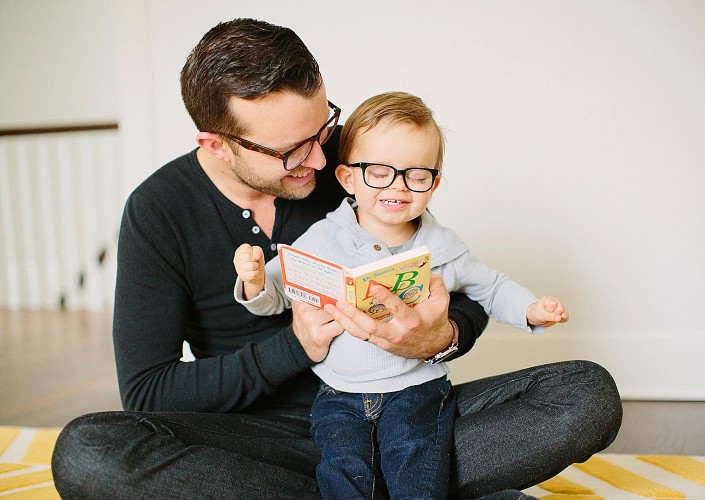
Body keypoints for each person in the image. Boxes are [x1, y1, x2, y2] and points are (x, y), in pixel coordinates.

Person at [50, 18, 623, 500]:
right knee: (87, 452)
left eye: (321, 129)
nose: (320, 162)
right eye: (290, 151)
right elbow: (150, 394)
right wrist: (296, 346)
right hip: (260, 447)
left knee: (586, 395)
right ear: (215, 143)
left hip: (402, 410)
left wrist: (440, 337)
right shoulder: (159, 211)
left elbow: (461, 282)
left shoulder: (359, 162)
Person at [233, 91, 571, 499]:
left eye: (417, 174)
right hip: (339, 393)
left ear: (434, 183)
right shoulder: (322, 238)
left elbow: (491, 286)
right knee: (343, 474)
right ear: (348, 178)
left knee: (417, 473)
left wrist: (532, 309)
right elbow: (277, 293)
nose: (398, 186)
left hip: (417, 389)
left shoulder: (442, 247)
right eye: (378, 172)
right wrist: (254, 280)